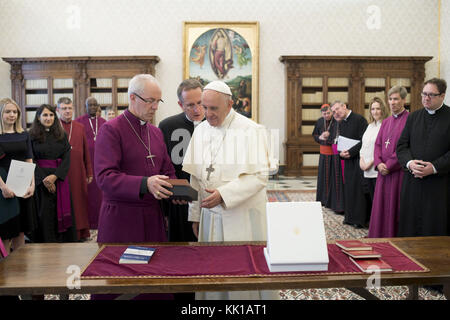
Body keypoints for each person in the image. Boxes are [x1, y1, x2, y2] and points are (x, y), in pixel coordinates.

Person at [182, 80, 279, 300]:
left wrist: (224, 195)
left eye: (213, 108)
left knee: (241, 274)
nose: (207, 114)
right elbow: (195, 177)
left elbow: (259, 176)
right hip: (210, 217)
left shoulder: (251, 130)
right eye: (204, 108)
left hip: (240, 217)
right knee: (212, 272)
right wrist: (195, 215)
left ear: (229, 104)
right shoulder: (201, 130)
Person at [397, 78, 450, 237]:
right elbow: (401, 146)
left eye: (431, 95)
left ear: (442, 96)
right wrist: (410, 163)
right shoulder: (413, 117)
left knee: (435, 227)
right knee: (410, 228)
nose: (426, 98)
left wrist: (433, 168)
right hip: (412, 183)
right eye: (424, 94)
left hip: (439, 185)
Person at [158, 79, 205, 243]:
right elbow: (162, 168)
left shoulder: (216, 124)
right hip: (180, 202)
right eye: (190, 105)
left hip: (209, 200)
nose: (197, 109)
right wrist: (164, 210)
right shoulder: (166, 126)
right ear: (180, 104)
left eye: (200, 103)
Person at [30, 104, 76, 243]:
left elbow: (67, 158)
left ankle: (62, 242)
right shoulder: (31, 136)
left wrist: (55, 176)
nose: (48, 118)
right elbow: (30, 159)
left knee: (59, 212)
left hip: (59, 180)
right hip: (40, 181)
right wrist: (44, 179)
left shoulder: (62, 135)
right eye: (45, 115)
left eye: (51, 115)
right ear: (38, 118)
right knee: (44, 213)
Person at [368, 88, 408, 238]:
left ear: (404, 100)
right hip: (382, 172)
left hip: (397, 173)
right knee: (381, 206)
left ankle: (392, 236)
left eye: (396, 99)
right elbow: (378, 144)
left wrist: (389, 165)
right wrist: (378, 164)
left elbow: (404, 147)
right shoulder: (386, 122)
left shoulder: (409, 120)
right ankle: (379, 234)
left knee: (394, 206)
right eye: (390, 99)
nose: (392, 102)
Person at [0, 98, 37, 253]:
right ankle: (5, 271)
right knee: (8, 230)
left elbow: (29, 160)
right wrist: (3, 187)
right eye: (8, 112)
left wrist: (32, 184)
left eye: (15, 112)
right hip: (4, 187)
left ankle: (20, 270)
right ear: (1, 114)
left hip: (22, 186)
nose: (12, 115)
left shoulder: (24, 134)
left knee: (21, 229)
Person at [57, 97, 93, 241]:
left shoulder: (79, 127)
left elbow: (86, 151)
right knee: (65, 201)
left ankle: (81, 232)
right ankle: (67, 233)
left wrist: (89, 171)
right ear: (58, 110)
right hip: (62, 171)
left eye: (70, 108)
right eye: (64, 108)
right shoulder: (55, 127)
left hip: (78, 170)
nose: (67, 111)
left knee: (79, 201)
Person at [331, 101, 368, 228]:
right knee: (349, 189)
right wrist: (340, 153)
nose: (336, 113)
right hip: (347, 160)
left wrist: (351, 152)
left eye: (337, 109)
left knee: (358, 190)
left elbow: (364, 141)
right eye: (334, 112)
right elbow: (341, 141)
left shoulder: (359, 119)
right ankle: (350, 217)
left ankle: (359, 220)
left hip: (358, 159)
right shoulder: (341, 122)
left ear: (344, 106)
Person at [75, 97, 106, 230]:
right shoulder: (78, 123)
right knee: (86, 194)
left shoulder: (104, 122)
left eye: (95, 105)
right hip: (85, 163)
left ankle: (100, 222)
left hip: (101, 162)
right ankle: (87, 223)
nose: (92, 107)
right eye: (90, 105)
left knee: (100, 195)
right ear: (85, 107)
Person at [312, 103, 344, 213]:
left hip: (333, 154)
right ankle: (322, 199)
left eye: (328, 113)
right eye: (324, 114)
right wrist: (320, 137)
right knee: (322, 177)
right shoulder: (319, 121)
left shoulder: (336, 121)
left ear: (331, 112)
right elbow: (314, 135)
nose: (326, 115)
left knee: (331, 178)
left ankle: (330, 201)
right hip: (323, 154)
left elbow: (337, 137)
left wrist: (328, 136)